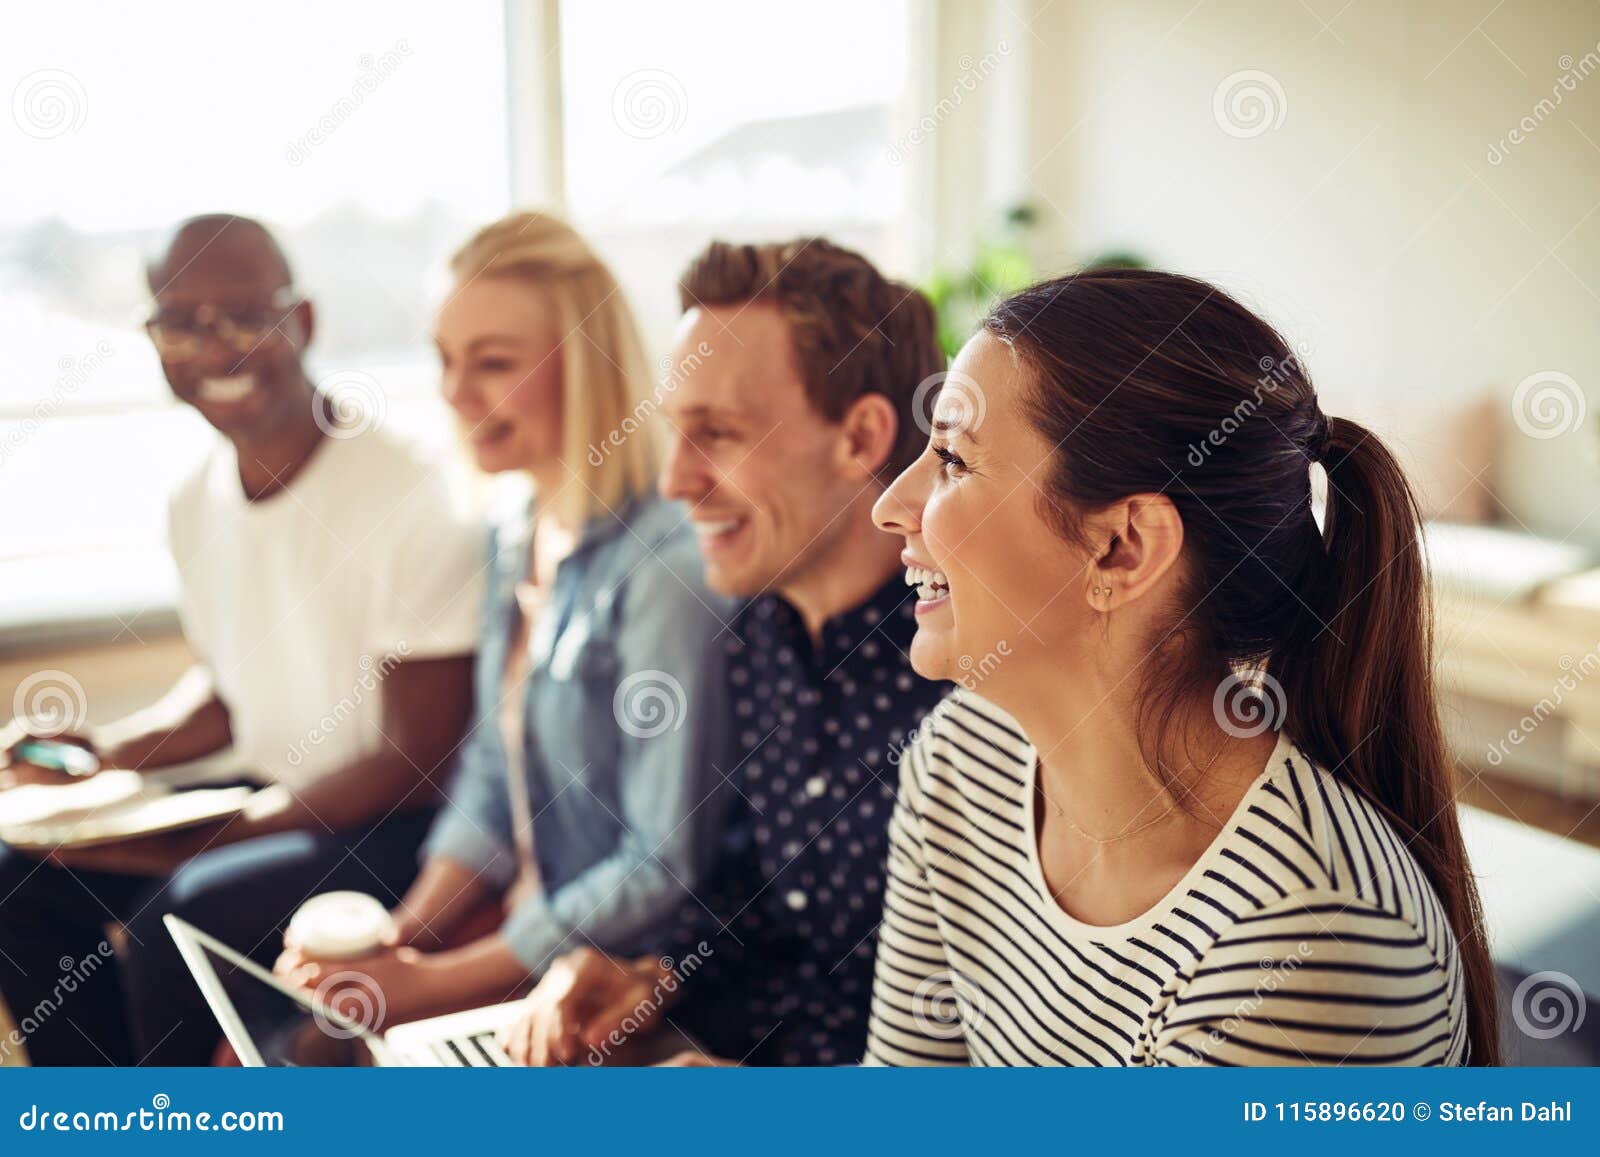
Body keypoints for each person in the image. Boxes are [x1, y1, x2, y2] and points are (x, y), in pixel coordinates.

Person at [863, 268, 1499, 1065]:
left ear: (1123, 548)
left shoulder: (1315, 940)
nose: (890, 504)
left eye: (953, 460)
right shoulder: (963, 757)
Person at [0, 214, 483, 1065]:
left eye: (243, 315)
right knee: (16, 880)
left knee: (176, 913)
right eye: (180, 320)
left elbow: (421, 760)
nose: (211, 345)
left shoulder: (410, 488)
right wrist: (106, 754)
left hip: (393, 823)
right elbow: (229, 693)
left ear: (301, 323)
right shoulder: (193, 502)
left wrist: (218, 834)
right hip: (274, 794)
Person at [274, 213, 731, 1030]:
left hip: (615, 976)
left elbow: (662, 864)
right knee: (272, 1051)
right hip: (523, 933)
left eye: (492, 363)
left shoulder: (665, 564)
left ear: (589, 369)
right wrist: (399, 939)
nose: (455, 392)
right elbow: (490, 770)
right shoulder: (513, 526)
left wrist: (437, 981)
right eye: (446, 359)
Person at [500, 238, 951, 1067]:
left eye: (716, 433)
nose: (675, 480)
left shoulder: (973, 673)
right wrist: (649, 977)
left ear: (860, 438)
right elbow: (761, 908)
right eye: (676, 433)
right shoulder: (755, 629)